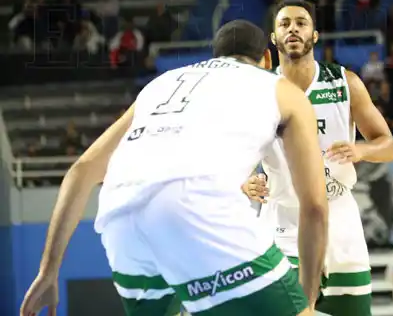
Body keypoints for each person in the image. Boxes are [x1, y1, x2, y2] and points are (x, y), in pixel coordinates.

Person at [19, 20, 329, 316]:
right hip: (196, 208)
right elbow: (314, 205)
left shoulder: (162, 83)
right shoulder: (281, 87)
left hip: (121, 220)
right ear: (266, 58)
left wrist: (48, 270)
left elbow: (82, 169)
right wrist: (308, 301)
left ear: (215, 57)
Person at [243, 0, 393, 316]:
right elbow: (233, 154)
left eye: (301, 23)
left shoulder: (345, 83)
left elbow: (388, 145)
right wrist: (245, 181)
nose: (293, 29)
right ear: (273, 38)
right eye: (284, 24)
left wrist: (361, 150)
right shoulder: (257, 91)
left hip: (340, 215)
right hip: (283, 218)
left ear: (315, 35)